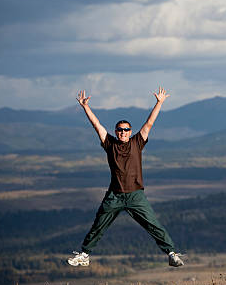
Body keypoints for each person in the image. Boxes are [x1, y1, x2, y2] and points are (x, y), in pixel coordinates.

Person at [67, 87, 184, 267]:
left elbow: (149, 123)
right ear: (116, 131)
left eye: (126, 130)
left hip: (135, 195)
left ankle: (171, 253)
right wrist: (85, 107)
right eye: (120, 130)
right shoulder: (109, 144)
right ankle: (84, 255)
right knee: (99, 225)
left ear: (131, 132)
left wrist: (159, 103)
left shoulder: (137, 142)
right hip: (114, 195)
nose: (123, 132)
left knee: (153, 225)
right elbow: (97, 125)